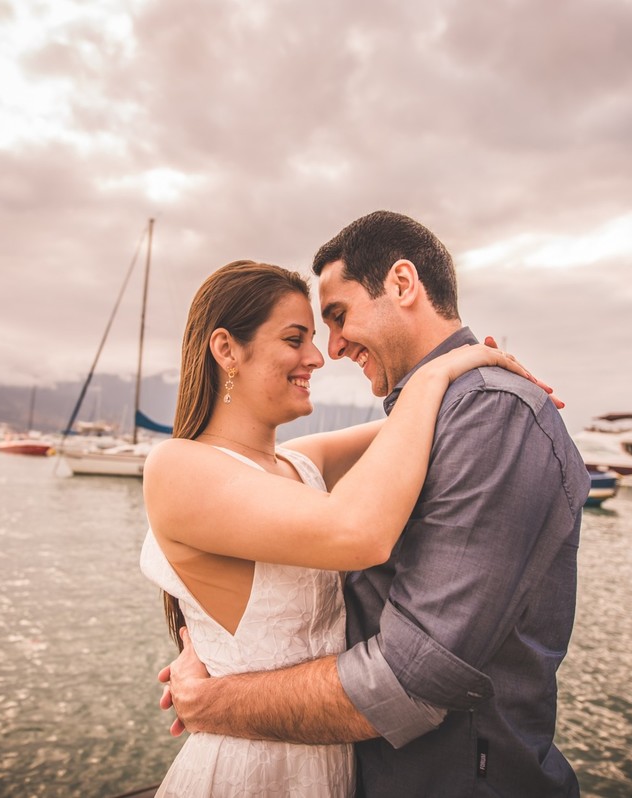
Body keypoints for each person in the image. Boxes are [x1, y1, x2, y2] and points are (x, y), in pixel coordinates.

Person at [159, 212, 590, 797]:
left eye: (335, 319)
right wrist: (201, 646)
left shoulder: (489, 416)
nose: (327, 351)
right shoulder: (428, 415)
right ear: (226, 352)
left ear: (403, 284)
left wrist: (216, 702)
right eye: (302, 336)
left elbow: (417, 674)